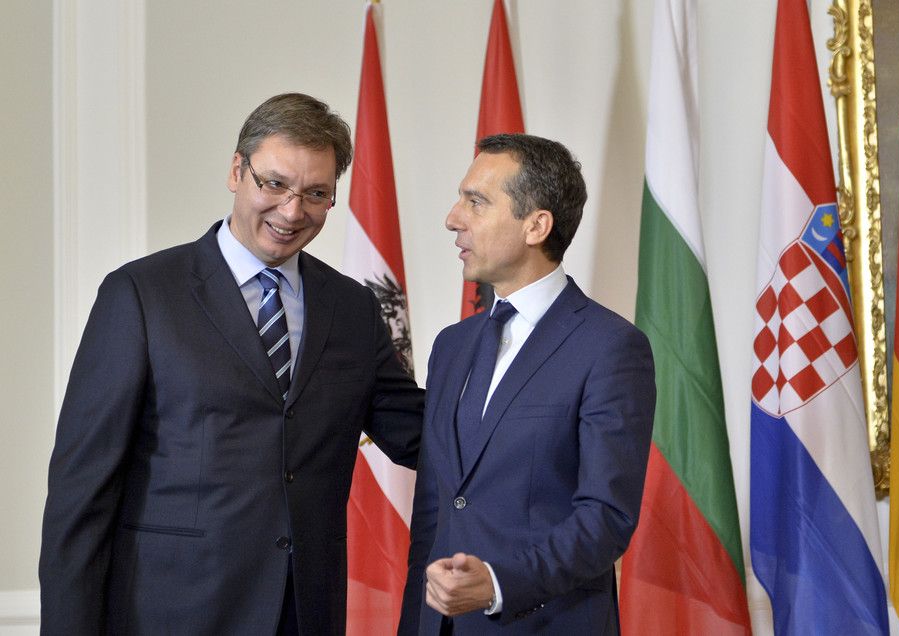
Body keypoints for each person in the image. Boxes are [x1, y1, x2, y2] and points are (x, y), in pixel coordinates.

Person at [39, 93, 424, 635]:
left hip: (303, 613)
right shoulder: (142, 295)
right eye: (275, 184)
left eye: (316, 193)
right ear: (236, 171)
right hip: (170, 616)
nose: (292, 211)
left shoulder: (352, 308)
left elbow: (420, 434)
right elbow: (82, 491)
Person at [399, 133, 656, 634]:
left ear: (536, 225)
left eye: (476, 201)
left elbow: (606, 517)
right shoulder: (451, 346)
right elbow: (433, 510)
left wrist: (498, 584)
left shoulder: (610, 347)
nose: (453, 218)